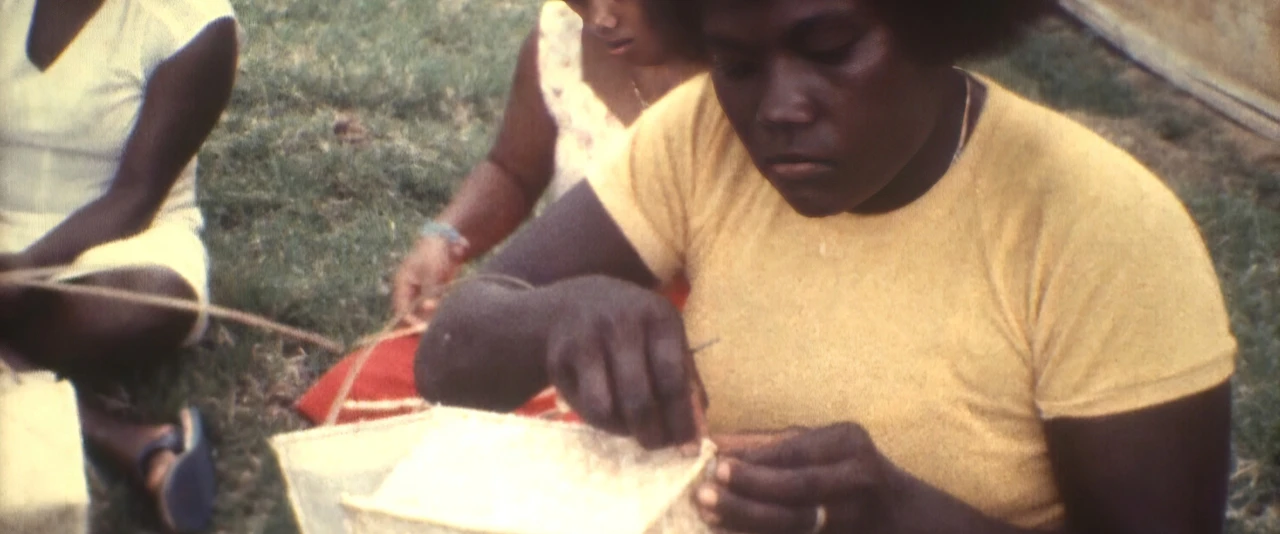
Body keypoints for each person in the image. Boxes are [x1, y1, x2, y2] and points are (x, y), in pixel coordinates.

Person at [414, 0, 1238, 532]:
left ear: (934, 26)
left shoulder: (1101, 228)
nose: (778, 107)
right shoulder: (703, 135)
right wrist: (563, 313)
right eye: (737, 64)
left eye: (833, 48)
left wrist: (898, 515)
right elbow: (448, 354)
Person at [293, 0, 707, 424]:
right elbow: (513, 170)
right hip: (573, 309)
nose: (601, 17)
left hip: (701, 325)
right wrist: (445, 236)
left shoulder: (746, 54)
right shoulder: (562, 38)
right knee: (372, 388)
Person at [0, 0, 238, 531]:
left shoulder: (195, 24)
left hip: (122, 239)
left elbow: (137, 195)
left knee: (144, 303)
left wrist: (26, 269)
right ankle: (129, 441)